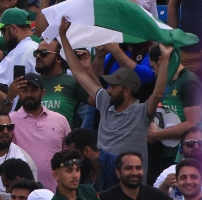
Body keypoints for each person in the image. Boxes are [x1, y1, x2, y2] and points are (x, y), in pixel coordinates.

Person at [61, 18, 170, 164]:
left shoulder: (141, 112)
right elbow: (78, 73)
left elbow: (157, 93)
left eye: (113, 86)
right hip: (105, 180)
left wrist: (165, 60)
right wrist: (63, 37)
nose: (108, 89)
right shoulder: (106, 102)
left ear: (126, 90)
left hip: (130, 179)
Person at [3, 71, 70, 185]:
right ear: (19, 93)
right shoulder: (10, 120)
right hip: (22, 191)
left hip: (55, 192)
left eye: (34, 90)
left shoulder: (60, 120)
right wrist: (8, 97)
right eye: (24, 90)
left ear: (42, 93)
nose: (29, 95)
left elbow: (69, 155)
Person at [101, 152, 171, 200]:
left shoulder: (155, 195)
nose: (135, 173)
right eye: (129, 168)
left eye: (138, 168)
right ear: (118, 173)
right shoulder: (106, 197)